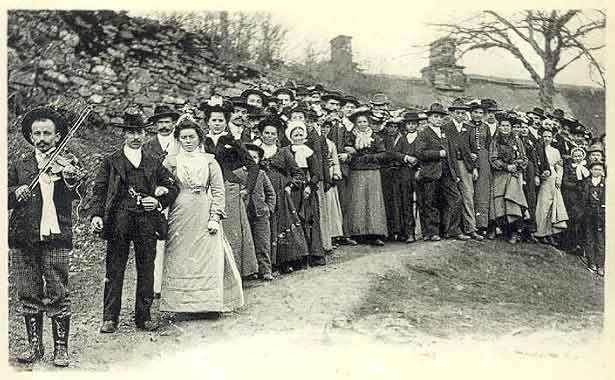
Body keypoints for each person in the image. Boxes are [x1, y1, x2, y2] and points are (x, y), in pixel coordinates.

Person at [90, 110, 179, 333]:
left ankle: (144, 316)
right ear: (124, 135)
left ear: (144, 133)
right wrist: (97, 215)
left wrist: (157, 200)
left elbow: (173, 187)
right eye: (131, 132)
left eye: (139, 132)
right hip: (118, 221)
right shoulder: (111, 161)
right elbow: (99, 190)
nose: (135, 137)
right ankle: (110, 318)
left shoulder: (153, 162)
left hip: (146, 222)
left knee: (146, 269)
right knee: (114, 269)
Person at [9, 105, 85, 366]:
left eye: (47, 134)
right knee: (28, 292)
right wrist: (15, 192)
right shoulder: (19, 166)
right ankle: (34, 347)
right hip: (23, 237)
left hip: (55, 237)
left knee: (58, 291)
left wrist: (72, 178)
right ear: (30, 136)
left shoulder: (68, 163)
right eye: (36, 133)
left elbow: (80, 193)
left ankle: (60, 348)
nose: (41, 139)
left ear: (57, 136)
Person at [159, 117, 244, 314]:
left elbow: (218, 190)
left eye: (192, 137)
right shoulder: (171, 162)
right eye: (184, 138)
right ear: (178, 140)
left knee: (208, 256)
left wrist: (215, 216)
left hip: (204, 210)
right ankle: (180, 305)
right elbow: (162, 184)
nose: (188, 141)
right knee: (181, 255)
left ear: (199, 138)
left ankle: (209, 304)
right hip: (180, 212)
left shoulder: (210, 161)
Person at [201, 97, 259, 279]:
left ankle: (234, 275)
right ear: (207, 122)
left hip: (229, 189)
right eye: (213, 120)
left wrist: (246, 189)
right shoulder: (201, 142)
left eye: (221, 120)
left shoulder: (233, 142)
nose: (217, 124)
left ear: (226, 122)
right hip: (206, 190)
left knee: (231, 232)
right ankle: (212, 273)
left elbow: (253, 166)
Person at [256, 116, 309, 273]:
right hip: (261, 193)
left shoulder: (284, 153)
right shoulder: (254, 151)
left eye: (273, 133)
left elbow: (298, 173)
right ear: (261, 134)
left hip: (280, 193)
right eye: (267, 133)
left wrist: (290, 186)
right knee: (264, 226)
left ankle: (284, 261)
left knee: (281, 224)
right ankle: (266, 264)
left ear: (278, 135)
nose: (270, 136)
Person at [415, 103, 469, 242]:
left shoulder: (445, 133)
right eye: (435, 117)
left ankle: (452, 230)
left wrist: (456, 174)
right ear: (429, 118)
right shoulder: (424, 133)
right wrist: (438, 153)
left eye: (440, 117)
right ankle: (433, 232)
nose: (438, 119)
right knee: (431, 202)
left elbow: (451, 155)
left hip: (447, 172)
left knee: (456, 199)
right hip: (431, 172)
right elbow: (420, 153)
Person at [143, 105, 181, 299]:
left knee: (179, 239)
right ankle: (157, 285)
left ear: (174, 123)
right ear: (155, 124)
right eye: (161, 122)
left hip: (179, 196)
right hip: (157, 199)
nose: (164, 126)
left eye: (168, 122)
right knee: (158, 241)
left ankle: (177, 282)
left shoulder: (181, 142)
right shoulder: (148, 146)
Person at [345, 107, 389, 245]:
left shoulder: (375, 137)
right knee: (357, 202)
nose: (362, 124)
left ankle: (375, 233)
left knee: (373, 201)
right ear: (355, 123)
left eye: (365, 121)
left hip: (372, 172)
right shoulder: (351, 136)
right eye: (359, 122)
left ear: (369, 123)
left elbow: (383, 154)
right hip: (356, 172)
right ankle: (357, 233)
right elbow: (347, 150)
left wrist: (368, 157)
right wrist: (352, 153)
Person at [286, 120, 326, 265]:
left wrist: (310, 187)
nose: (298, 137)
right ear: (290, 136)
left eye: (301, 134)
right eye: (295, 135)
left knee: (311, 219)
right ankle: (298, 256)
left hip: (308, 189)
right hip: (294, 189)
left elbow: (316, 173)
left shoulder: (310, 152)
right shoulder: (286, 151)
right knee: (295, 220)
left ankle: (315, 254)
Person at [445, 98, 483, 241]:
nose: (460, 115)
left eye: (463, 113)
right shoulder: (446, 128)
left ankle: (470, 228)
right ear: (453, 114)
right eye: (458, 113)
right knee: (454, 198)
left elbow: (474, 151)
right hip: (451, 165)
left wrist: (474, 168)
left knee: (468, 196)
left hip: (465, 165)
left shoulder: (469, 129)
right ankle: (451, 229)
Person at [488, 113, 529, 244]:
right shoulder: (495, 141)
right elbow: (493, 159)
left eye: (507, 126)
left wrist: (516, 165)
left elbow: (524, 158)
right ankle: (503, 230)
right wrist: (506, 166)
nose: (505, 128)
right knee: (499, 202)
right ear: (499, 127)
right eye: (502, 125)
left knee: (513, 201)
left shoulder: (517, 140)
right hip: (500, 174)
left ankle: (515, 232)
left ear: (511, 128)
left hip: (514, 175)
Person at [384, 111, 421, 243]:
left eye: (413, 124)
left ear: (417, 125)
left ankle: (425, 231)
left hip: (420, 173)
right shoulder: (403, 139)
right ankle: (409, 232)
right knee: (406, 202)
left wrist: (419, 163)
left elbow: (425, 153)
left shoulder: (421, 138)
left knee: (422, 202)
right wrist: (406, 157)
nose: (411, 126)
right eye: (409, 124)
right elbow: (395, 153)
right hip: (405, 174)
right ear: (405, 126)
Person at [243, 143, 277, 280]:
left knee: (262, 243)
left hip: (260, 214)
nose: (251, 160)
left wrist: (268, 208)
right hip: (244, 214)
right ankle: (251, 271)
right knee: (247, 243)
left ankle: (266, 270)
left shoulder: (261, 174)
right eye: (248, 157)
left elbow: (271, 194)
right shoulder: (238, 173)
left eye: (255, 157)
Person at [534, 127, 569, 245]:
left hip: (553, 179)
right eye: (544, 136)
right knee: (543, 205)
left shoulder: (555, 151)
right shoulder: (538, 149)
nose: (547, 138)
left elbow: (559, 167)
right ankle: (540, 232)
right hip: (543, 178)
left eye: (549, 136)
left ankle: (550, 233)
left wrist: (559, 178)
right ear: (541, 137)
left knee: (553, 205)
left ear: (552, 138)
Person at [466, 99, 494, 237]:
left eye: (480, 113)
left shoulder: (486, 127)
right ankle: (469, 224)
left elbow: (488, 145)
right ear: (471, 113)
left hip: (483, 160)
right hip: (469, 158)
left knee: (482, 193)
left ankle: (482, 225)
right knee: (469, 192)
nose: (477, 115)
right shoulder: (466, 126)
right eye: (475, 112)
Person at [319, 120, 345, 245]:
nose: (324, 129)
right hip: (319, 175)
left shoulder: (331, 144)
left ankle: (332, 235)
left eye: (327, 127)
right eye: (321, 126)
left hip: (329, 174)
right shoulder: (313, 141)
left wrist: (335, 174)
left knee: (330, 205)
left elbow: (335, 161)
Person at [560, 146, 590, 253]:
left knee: (581, 221)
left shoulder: (586, 169)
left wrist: (583, 189)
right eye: (575, 156)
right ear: (572, 157)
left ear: (583, 156)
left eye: (579, 156)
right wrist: (576, 186)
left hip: (581, 197)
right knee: (571, 220)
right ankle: (568, 244)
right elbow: (565, 182)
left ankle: (579, 245)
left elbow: (588, 181)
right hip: (570, 196)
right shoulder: (569, 167)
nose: (577, 158)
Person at [582, 161, 605, 276]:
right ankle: (591, 262)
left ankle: (600, 265)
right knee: (589, 237)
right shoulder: (586, 182)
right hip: (588, 214)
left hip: (601, 215)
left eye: (599, 169)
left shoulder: (605, 183)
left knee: (600, 239)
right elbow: (583, 198)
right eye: (595, 169)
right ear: (590, 170)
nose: (597, 171)